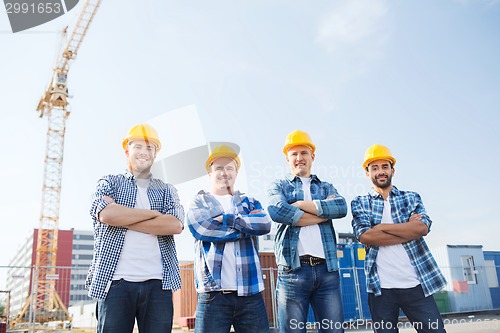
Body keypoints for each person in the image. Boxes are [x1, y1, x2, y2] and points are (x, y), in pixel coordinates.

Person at [86, 123, 184, 333]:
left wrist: (124, 217)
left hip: (158, 283)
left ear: (155, 154)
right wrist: (154, 215)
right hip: (115, 283)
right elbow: (106, 214)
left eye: (150, 148)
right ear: (127, 150)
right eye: (138, 146)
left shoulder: (166, 190)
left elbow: (175, 224)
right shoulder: (110, 182)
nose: (144, 152)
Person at [351, 144, 447, 333]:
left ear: (392, 170)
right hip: (381, 288)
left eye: (385, 167)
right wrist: (406, 229)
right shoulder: (360, 202)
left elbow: (422, 228)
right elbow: (365, 236)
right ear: (367, 172)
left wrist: (382, 228)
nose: (380, 172)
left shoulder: (411, 198)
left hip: (417, 284)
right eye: (375, 167)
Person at [267, 130, 348, 333]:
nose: (299, 158)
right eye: (294, 154)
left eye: (303, 152)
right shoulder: (279, 186)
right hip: (293, 272)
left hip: (327, 271)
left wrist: (301, 204)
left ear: (312, 156)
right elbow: (277, 211)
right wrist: (323, 213)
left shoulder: (326, 186)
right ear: (287, 158)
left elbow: (341, 208)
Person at [186, 144, 272, 333]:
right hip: (213, 296)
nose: (224, 172)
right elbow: (200, 228)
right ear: (210, 173)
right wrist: (246, 229)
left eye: (229, 168)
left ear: (236, 172)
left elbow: (264, 224)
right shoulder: (199, 201)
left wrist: (225, 219)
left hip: (250, 294)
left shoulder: (249, 202)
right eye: (218, 168)